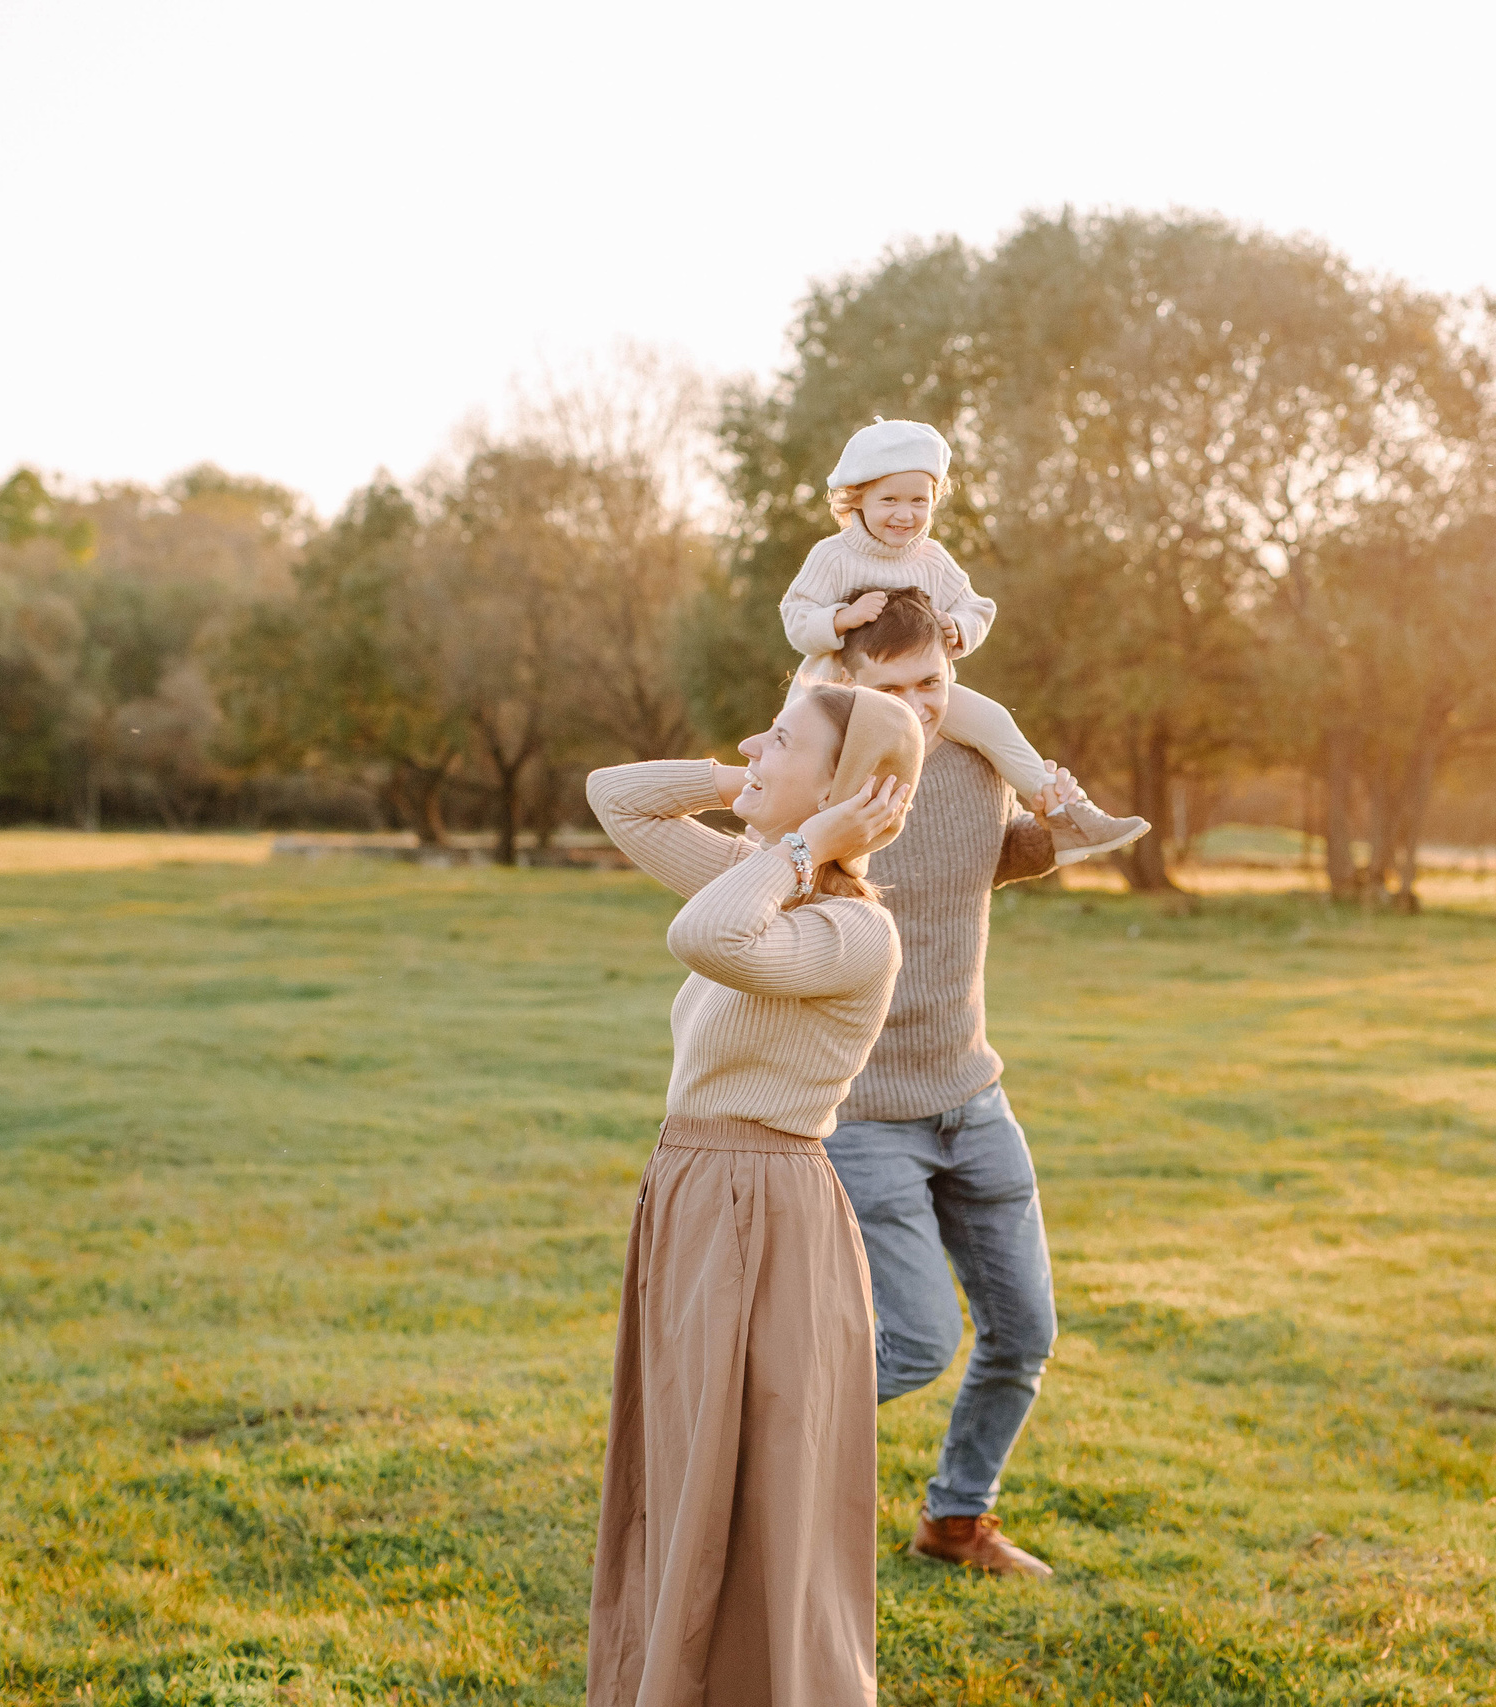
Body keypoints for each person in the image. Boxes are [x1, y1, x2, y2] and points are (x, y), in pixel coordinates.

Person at [583, 683, 922, 1707]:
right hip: (693, 1192)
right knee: (687, 1463)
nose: (746, 746)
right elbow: (616, 797)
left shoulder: (853, 930)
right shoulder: (763, 878)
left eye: (777, 739)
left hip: (759, 1207)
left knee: (758, 1485)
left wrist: (806, 834)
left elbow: (705, 942)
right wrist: (759, 788)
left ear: (846, 787)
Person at [819, 588, 1072, 1579]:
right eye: (894, 688)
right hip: (869, 1112)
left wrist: (1058, 826)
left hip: (972, 1092)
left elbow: (976, 868)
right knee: (918, 1343)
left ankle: (956, 1522)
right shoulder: (826, 780)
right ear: (848, 684)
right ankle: (738, 1447)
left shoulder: (976, 763)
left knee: (1022, 1332)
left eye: (934, 681)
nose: (920, 705)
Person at [779, 416, 1150, 866]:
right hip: (838, 693)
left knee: (994, 720)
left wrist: (959, 628)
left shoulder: (932, 559)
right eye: (889, 499)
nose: (904, 513)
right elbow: (796, 618)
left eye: (919, 500)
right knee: (801, 756)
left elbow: (978, 607)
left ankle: (1066, 813)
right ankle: (772, 843)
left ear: (934, 501)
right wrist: (841, 618)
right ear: (857, 499)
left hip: (924, 689)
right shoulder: (833, 556)